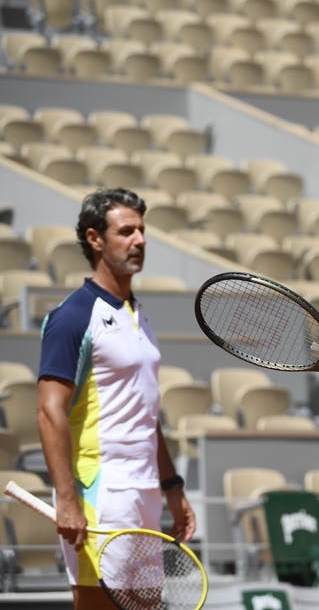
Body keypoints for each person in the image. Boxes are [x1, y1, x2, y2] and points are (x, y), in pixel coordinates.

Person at [36, 188, 196, 609]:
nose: (140, 240)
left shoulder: (137, 313)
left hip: (144, 493)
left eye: (142, 230)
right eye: (127, 231)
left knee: (145, 607)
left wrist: (172, 487)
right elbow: (49, 410)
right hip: (100, 495)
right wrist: (68, 501)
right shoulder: (72, 317)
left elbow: (145, 411)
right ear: (95, 240)